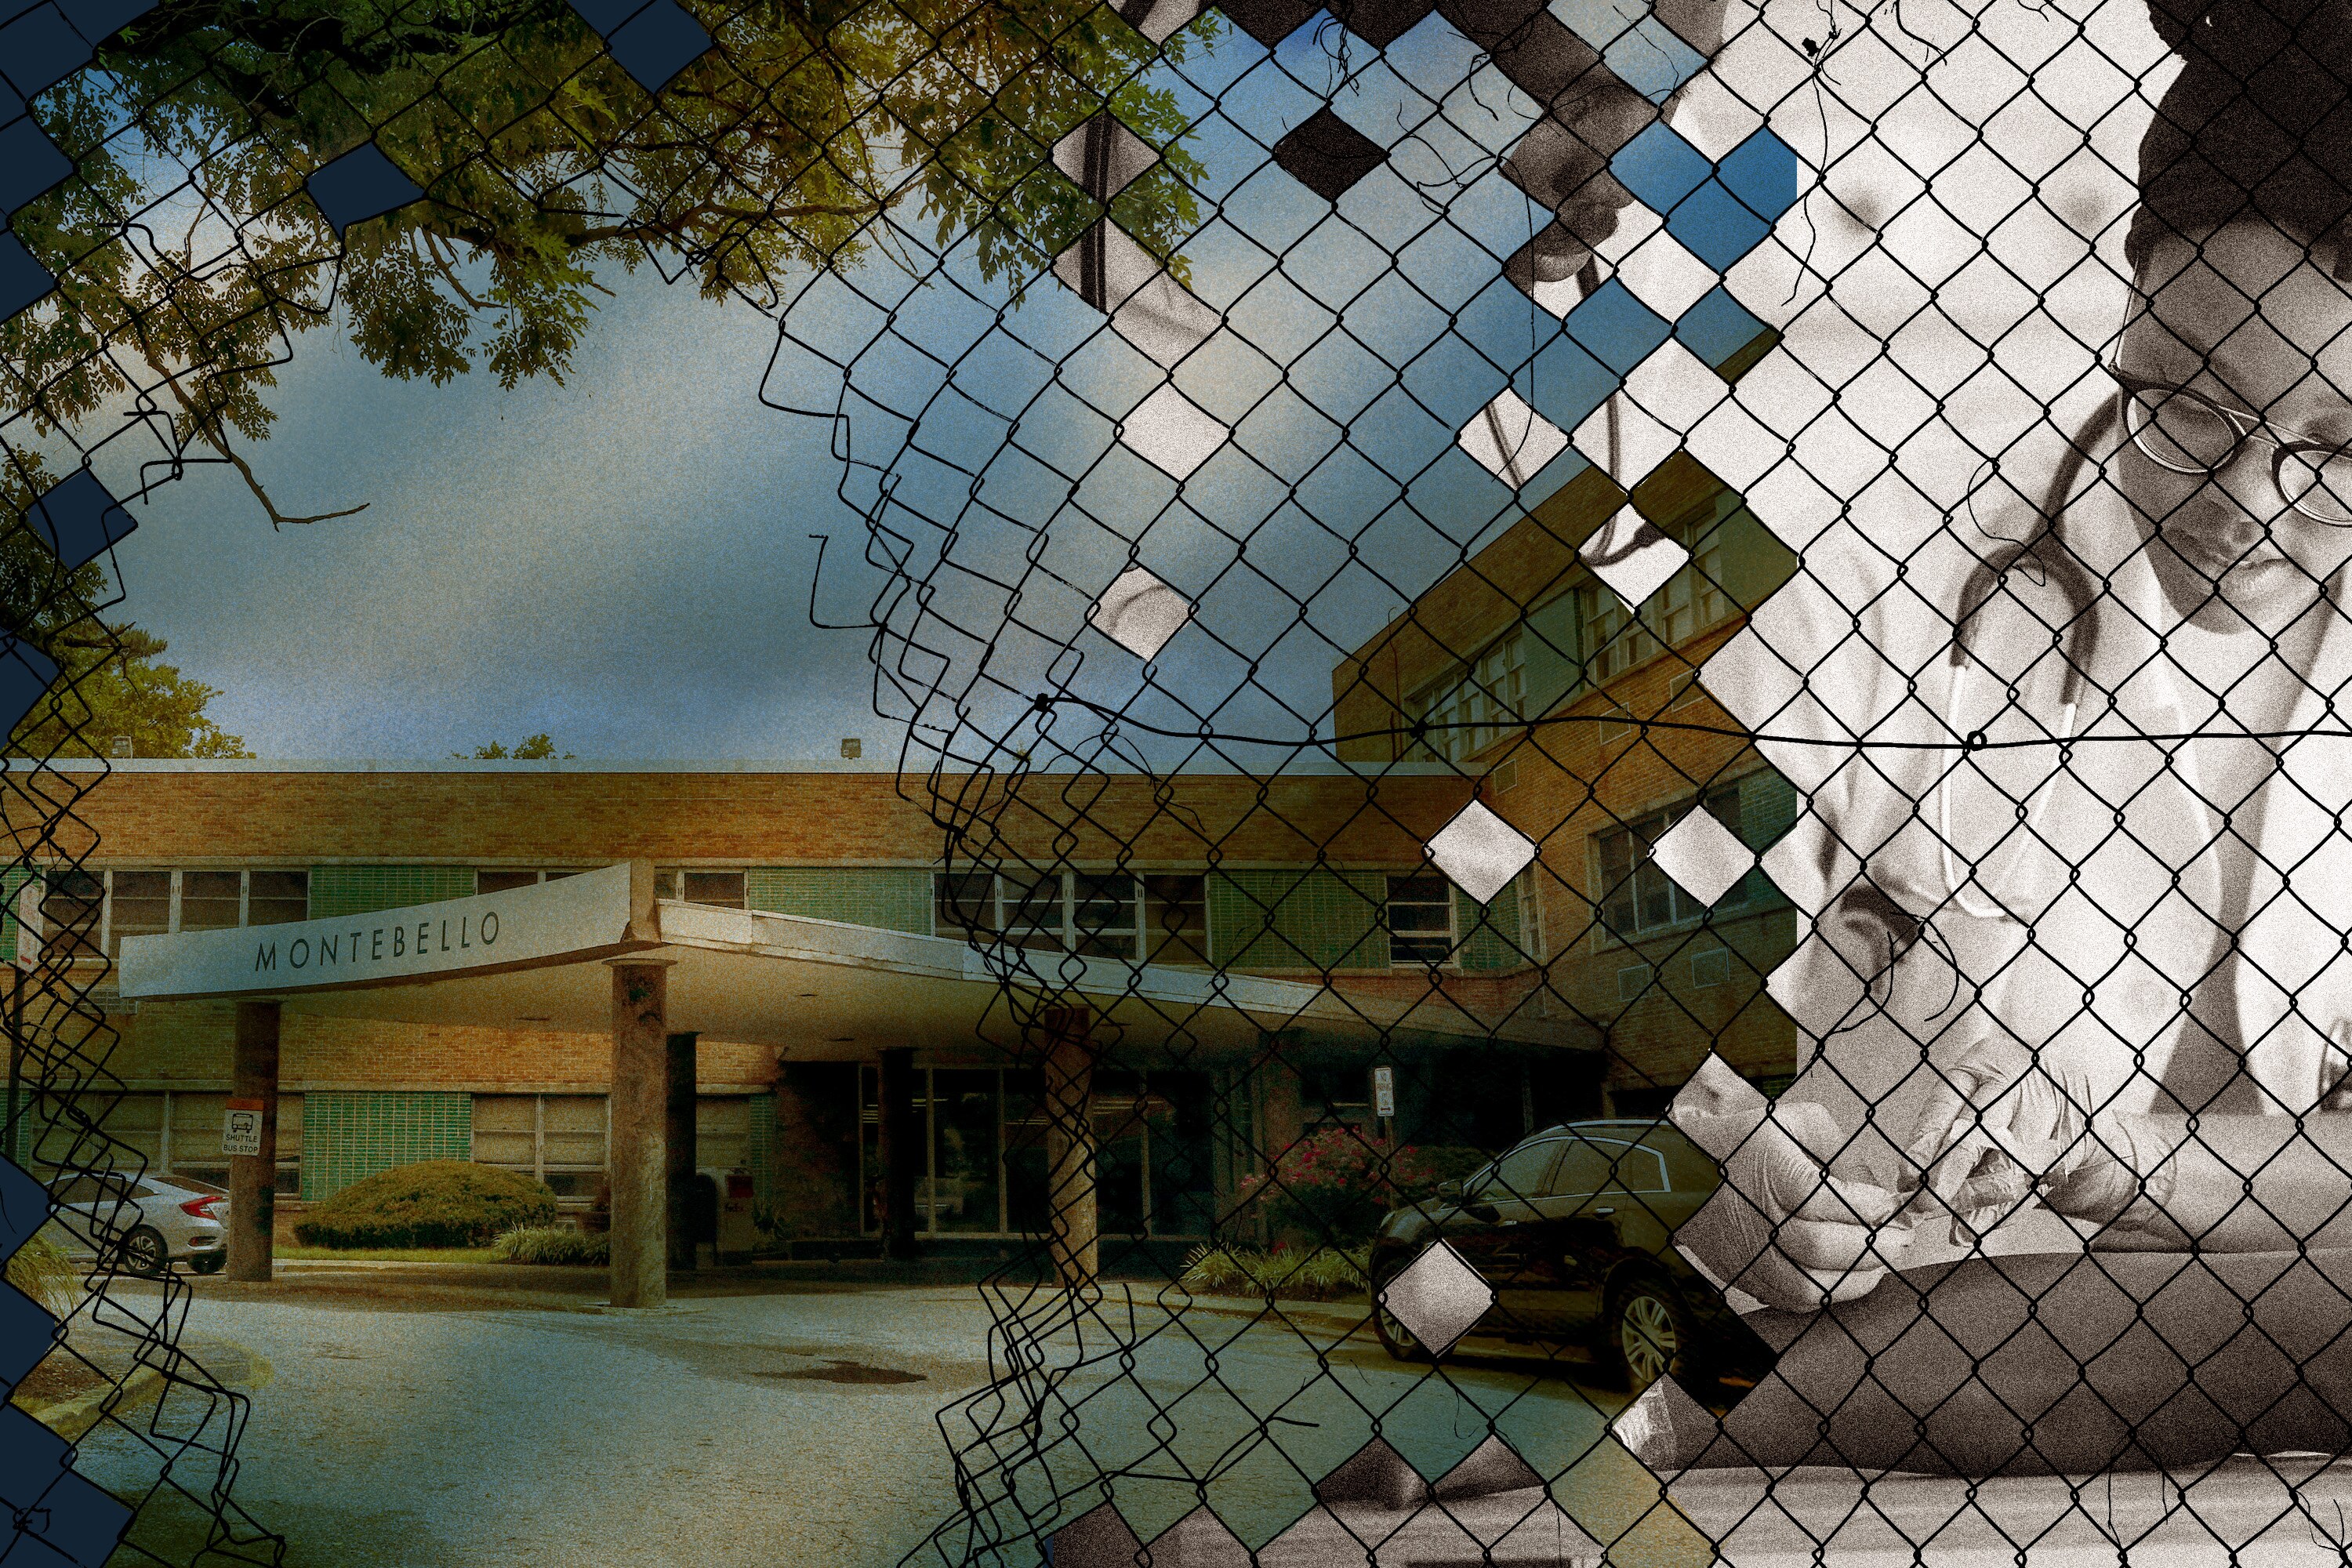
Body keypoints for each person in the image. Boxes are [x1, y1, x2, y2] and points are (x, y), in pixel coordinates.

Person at [1646, 0, 2352, 1473]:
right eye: (2189, 407)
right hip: (1910, 1285)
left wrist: (2140, 1165)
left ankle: (1693, 1396)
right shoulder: (1889, 550)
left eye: (2339, 448)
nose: (2249, 505)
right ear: (2129, 307)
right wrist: (1707, 1151)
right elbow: (1634, 984)